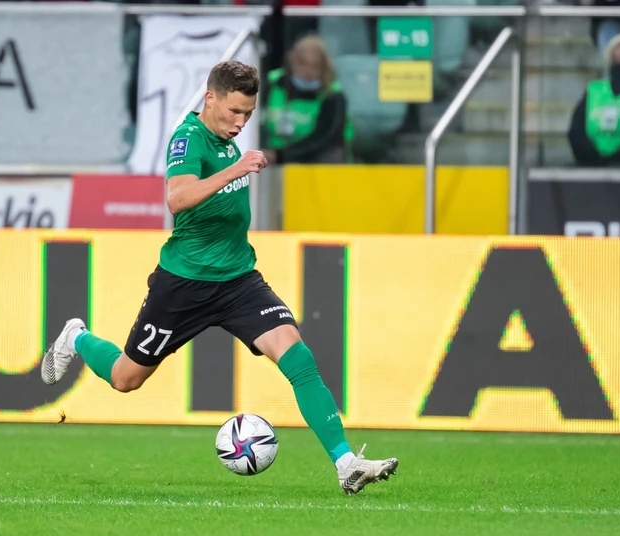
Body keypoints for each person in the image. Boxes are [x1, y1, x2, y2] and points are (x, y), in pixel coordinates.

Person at [41, 60, 398, 495]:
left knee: (298, 357)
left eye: (248, 113)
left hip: (238, 281)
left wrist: (235, 162)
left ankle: (346, 464)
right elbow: (177, 198)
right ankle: (76, 337)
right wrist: (235, 169)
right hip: (184, 284)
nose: (241, 122)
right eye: (234, 112)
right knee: (125, 378)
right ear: (210, 98)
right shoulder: (189, 139)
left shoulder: (228, 138)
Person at [262, 35, 353, 165]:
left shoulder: (333, 95)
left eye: (315, 66)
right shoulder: (272, 84)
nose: (308, 71)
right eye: (302, 63)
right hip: (271, 157)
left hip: (314, 161)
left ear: (325, 69)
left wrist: (281, 156)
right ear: (292, 62)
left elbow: (325, 138)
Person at [568, 32, 620, 166]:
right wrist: (596, 161)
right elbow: (576, 133)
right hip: (592, 168)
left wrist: (619, 159)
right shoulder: (594, 90)